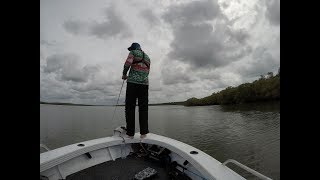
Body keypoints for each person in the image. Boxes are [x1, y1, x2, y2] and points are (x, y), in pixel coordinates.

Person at [122, 42, 150, 139]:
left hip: (133, 84)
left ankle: (130, 134)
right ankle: (143, 133)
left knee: (130, 107)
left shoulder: (133, 52)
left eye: (131, 49)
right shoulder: (147, 57)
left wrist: (124, 74)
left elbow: (127, 64)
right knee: (143, 108)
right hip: (145, 85)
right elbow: (147, 71)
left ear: (134, 48)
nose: (130, 50)